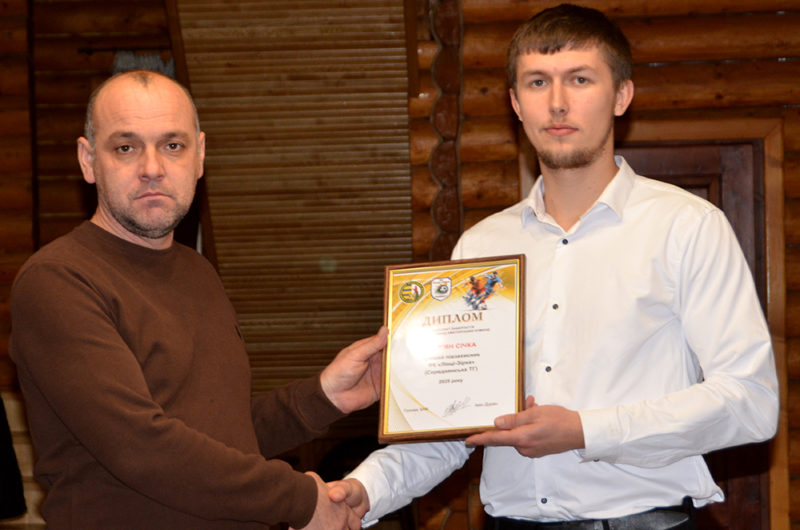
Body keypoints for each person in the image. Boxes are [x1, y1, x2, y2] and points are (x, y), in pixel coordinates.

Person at [327, 4, 779, 529]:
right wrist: (366, 490)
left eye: (580, 79)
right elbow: (450, 423)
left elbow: (750, 401)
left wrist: (585, 431)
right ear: (516, 103)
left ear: (621, 96)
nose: (558, 103)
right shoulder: (480, 247)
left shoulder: (687, 227)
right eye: (538, 82)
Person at [9, 69, 388, 529]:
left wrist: (324, 397)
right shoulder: (58, 280)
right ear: (88, 161)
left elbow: (222, 438)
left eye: (173, 145)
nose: (152, 167)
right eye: (126, 147)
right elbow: (142, 448)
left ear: (200, 155)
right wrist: (301, 499)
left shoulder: (198, 272)